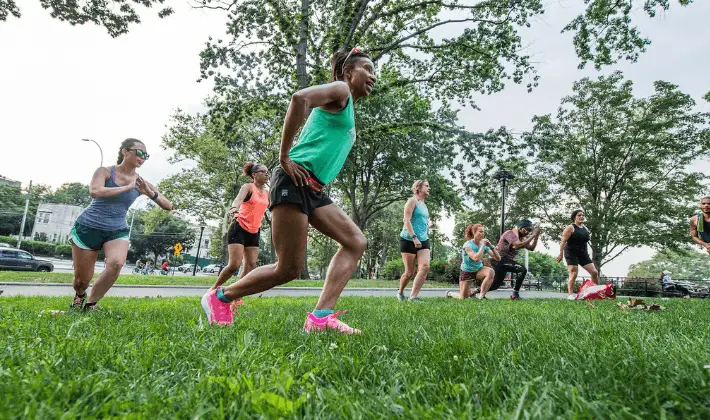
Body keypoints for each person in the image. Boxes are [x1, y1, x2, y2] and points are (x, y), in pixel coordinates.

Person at [200, 47, 376, 333]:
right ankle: (220, 297)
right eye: (367, 69)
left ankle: (321, 317)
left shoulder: (347, 105)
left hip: (313, 188)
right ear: (347, 72)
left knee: (356, 242)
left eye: (374, 71)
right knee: (288, 269)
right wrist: (283, 157)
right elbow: (299, 98)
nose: (373, 76)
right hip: (294, 179)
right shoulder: (340, 89)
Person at [69, 138, 173, 310]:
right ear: (125, 151)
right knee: (81, 281)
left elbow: (168, 205)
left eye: (146, 155)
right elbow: (95, 191)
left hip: (116, 230)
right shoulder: (105, 172)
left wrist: (148, 193)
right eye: (139, 152)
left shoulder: (141, 183)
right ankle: (80, 295)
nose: (143, 157)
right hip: (88, 226)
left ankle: (91, 304)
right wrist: (126, 188)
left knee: (116, 264)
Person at [210, 162, 270, 291]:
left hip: (254, 231)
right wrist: (234, 208)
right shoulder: (248, 187)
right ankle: (213, 290)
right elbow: (238, 199)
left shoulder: (267, 193)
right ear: (254, 174)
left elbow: (276, 210)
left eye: (267, 172)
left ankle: (235, 294)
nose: (267, 174)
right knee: (234, 265)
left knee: (250, 265)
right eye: (263, 172)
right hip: (239, 227)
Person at [487, 219, 540, 300]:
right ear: (521, 228)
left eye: (530, 231)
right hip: (498, 258)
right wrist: (532, 235)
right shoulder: (509, 233)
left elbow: (531, 248)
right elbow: (517, 245)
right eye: (527, 230)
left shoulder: (522, 238)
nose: (528, 232)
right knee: (522, 270)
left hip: (504, 261)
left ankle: (474, 292)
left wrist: (536, 236)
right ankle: (515, 295)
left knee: (495, 285)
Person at [397, 179, 431, 302]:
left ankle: (413, 296)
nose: (429, 188)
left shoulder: (424, 204)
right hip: (408, 238)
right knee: (409, 272)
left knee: (425, 266)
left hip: (424, 239)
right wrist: (414, 237)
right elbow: (406, 220)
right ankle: (400, 292)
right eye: (426, 186)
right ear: (418, 187)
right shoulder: (412, 201)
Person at [446, 223, 500, 299]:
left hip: (478, 270)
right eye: (480, 232)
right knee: (463, 298)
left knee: (491, 272)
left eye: (483, 232)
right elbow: (475, 258)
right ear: (474, 232)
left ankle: (481, 296)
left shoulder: (482, 244)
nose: (482, 234)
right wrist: (483, 246)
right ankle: (450, 293)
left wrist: (491, 247)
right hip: (467, 271)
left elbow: (498, 258)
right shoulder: (468, 245)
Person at [556, 209, 598, 300]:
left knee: (594, 272)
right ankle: (570, 294)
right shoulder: (570, 227)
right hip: (571, 252)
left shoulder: (585, 228)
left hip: (582, 253)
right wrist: (560, 254)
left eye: (583, 215)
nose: (582, 217)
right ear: (574, 217)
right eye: (579, 215)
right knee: (574, 272)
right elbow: (563, 242)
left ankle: (594, 292)